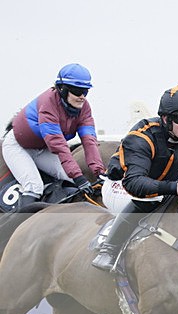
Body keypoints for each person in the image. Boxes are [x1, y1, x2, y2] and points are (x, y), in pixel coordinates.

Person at [91, 86, 178, 271]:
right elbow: (134, 183)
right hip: (120, 186)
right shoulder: (142, 136)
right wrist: (175, 188)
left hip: (158, 183)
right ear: (166, 119)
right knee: (152, 200)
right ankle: (109, 249)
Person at [2, 63, 103, 209]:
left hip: (42, 149)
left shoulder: (84, 108)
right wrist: (78, 176)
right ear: (62, 89)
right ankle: (16, 227)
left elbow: (89, 141)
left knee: (73, 179)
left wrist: (99, 171)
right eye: (77, 91)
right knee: (34, 186)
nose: (82, 97)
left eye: (85, 91)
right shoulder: (48, 104)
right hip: (18, 146)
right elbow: (59, 145)